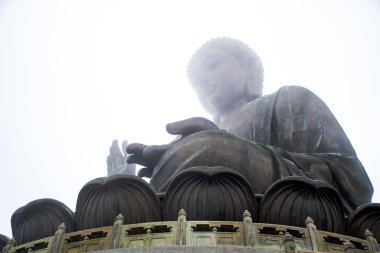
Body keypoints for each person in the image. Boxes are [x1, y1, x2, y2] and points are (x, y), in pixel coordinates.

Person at [127, 37, 373, 213]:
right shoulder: (203, 131)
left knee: (209, 148)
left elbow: (351, 180)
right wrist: (133, 176)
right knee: (127, 197)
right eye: (197, 82)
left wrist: (226, 149)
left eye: (212, 66)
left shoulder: (288, 99)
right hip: (202, 211)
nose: (205, 82)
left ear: (248, 66)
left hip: (297, 207)